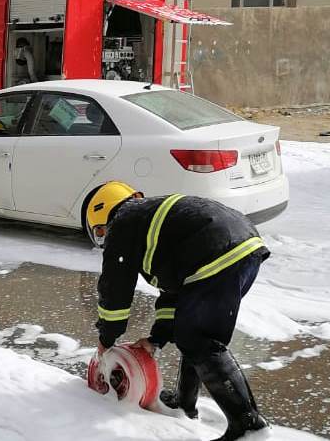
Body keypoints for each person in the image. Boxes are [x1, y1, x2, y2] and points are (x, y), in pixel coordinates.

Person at [90, 182, 269, 441]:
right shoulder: (151, 221)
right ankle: (185, 404)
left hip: (217, 253)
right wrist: (156, 339)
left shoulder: (124, 222)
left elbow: (115, 289)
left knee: (199, 340)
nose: (104, 238)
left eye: (100, 231)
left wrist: (106, 339)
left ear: (105, 215)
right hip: (245, 249)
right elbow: (175, 293)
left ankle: (248, 426)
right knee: (193, 332)